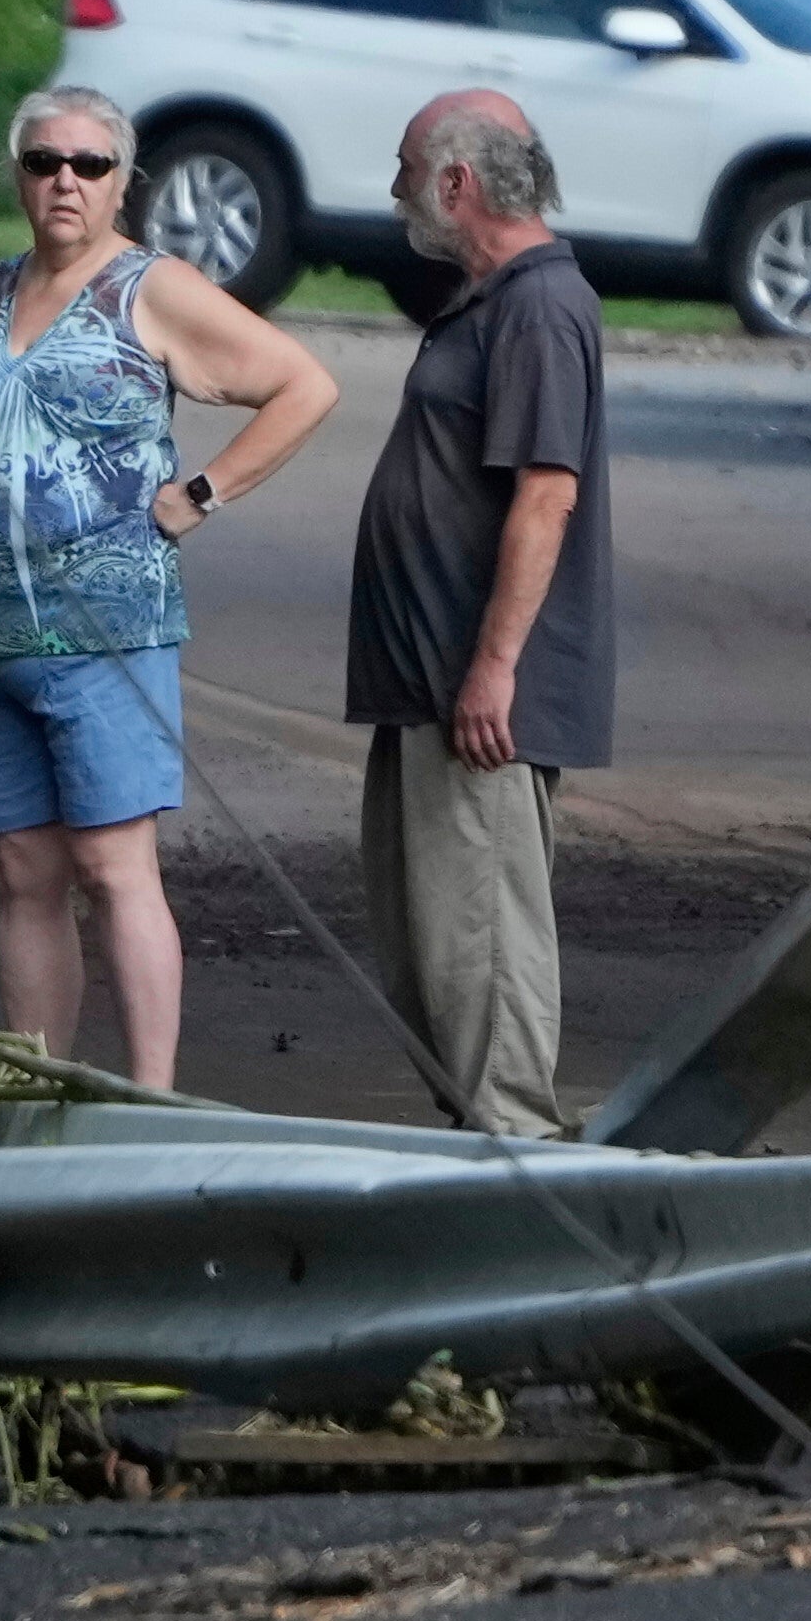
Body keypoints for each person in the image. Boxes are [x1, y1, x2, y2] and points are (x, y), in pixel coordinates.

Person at [0, 77, 332, 1086]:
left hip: (105, 632)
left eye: (89, 165)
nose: (64, 181)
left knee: (115, 869)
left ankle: (150, 1097)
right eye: (44, 163)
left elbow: (304, 385)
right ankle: (39, 1091)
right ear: (20, 178)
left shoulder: (150, 288)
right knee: (21, 873)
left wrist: (202, 492)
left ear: (121, 183)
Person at [340, 83, 613, 1132]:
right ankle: (476, 1134)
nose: (397, 191)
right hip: (425, 681)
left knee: (483, 939)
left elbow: (547, 496)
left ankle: (518, 1147)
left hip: (478, 694)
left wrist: (494, 667)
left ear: (457, 181)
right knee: (428, 946)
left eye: (408, 170)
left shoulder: (543, 307)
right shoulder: (490, 300)